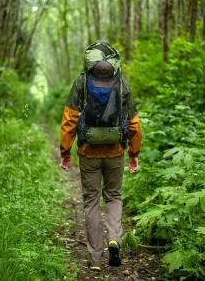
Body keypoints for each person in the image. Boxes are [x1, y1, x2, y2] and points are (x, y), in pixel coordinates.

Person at [59, 40, 142, 272]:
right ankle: (114, 239)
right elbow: (134, 124)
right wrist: (134, 153)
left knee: (92, 201)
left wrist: (65, 151)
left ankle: (95, 259)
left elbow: (69, 120)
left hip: (88, 152)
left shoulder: (81, 83)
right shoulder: (121, 83)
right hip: (115, 151)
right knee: (114, 197)